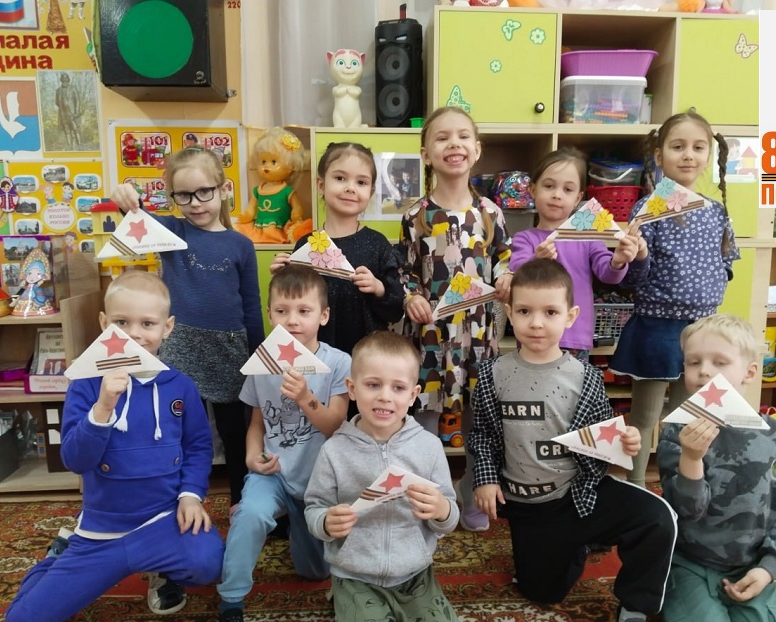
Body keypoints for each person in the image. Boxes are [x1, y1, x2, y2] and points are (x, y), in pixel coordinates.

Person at [469, 258, 677, 622]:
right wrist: (486, 480)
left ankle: (633, 616)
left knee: (658, 517)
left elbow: (603, 442)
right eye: (524, 311)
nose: (536, 323)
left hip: (581, 494)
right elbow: (482, 435)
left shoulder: (586, 376)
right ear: (509, 313)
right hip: (530, 507)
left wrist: (626, 443)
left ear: (571, 316)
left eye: (550, 312)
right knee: (542, 592)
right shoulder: (492, 373)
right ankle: (576, 547)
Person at [4, 271, 224, 622]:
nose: (134, 334)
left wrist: (190, 495)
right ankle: (59, 555)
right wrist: (103, 407)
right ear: (104, 322)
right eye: (122, 322)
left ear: (167, 327)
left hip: (161, 522)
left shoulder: (182, 387)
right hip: (102, 531)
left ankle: (161, 570)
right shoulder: (87, 383)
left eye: (147, 323)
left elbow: (198, 447)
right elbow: (75, 460)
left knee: (210, 563)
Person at [110, 147, 265, 511]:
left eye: (204, 192)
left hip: (229, 351)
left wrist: (259, 358)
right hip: (181, 346)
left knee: (233, 432)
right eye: (183, 195)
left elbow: (251, 305)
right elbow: (135, 214)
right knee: (175, 428)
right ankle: (172, 499)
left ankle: (241, 501)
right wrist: (125, 198)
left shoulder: (241, 245)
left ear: (223, 189)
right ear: (173, 197)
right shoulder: (171, 231)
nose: (195, 203)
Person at [305, 331, 466, 622]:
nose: (384, 396)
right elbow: (314, 506)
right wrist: (326, 522)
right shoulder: (334, 450)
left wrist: (441, 510)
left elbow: (450, 514)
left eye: (397, 387)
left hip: (414, 573)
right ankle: (349, 601)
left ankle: (403, 618)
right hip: (356, 574)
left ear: (413, 395)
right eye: (373, 384)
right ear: (352, 388)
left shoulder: (429, 447)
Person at [657, 314, 776, 622]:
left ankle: (737, 606)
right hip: (691, 559)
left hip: (749, 563)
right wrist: (691, 457)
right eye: (694, 362)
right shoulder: (676, 432)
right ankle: (677, 594)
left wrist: (768, 570)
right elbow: (686, 510)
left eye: (720, 362)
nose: (704, 372)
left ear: (750, 372)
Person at [215, 263, 351, 622]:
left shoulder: (338, 363)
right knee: (250, 514)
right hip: (274, 473)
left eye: (303, 311)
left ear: (323, 316)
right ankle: (230, 606)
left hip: (320, 483)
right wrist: (250, 456)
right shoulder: (263, 362)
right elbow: (256, 423)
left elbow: (335, 427)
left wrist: (306, 397)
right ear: (270, 315)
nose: (292, 321)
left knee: (314, 573)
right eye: (282, 311)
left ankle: (298, 530)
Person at [609, 110, 739, 487]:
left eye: (698, 147)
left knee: (688, 417)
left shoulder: (717, 211)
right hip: (657, 328)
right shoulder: (649, 208)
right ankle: (636, 490)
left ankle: (680, 488)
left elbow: (727, 261)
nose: (688, 155)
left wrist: (713, 289)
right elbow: (634, 277)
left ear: (709, 155)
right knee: (644, 418)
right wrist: (639, 256)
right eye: (678, 146)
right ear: (659, 155)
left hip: (702, 331)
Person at [399, 105, 512, 532]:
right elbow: (404, 271)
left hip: (478, 335)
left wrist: (507, 277)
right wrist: (411, 296)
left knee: (478, 418)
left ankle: (473, 492)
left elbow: (503, 258)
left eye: (463, 136)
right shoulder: (415, 215)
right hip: (430, 337)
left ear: (477, 149)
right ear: (426, 153)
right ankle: (431, 499)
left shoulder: (491, 213)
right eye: (442, 137)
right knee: (424, 421)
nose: (454, 144)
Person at [269, 142, 405, 413]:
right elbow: (290, 305)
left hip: (365, 361)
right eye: (340, 178)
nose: (350, 188)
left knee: (361, 422)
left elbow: (395, 309)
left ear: (371, 192)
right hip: (315, 360)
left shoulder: (378, 245)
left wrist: (378, 288)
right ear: (321, 185)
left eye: (361, 182)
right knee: (318, 422)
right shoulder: (306, 244)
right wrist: (282, 277)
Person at [508, 146, 647, 362]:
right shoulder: (524, 238)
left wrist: (618, 261)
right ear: (533, 190)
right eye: (549, 186)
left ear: (578, 198)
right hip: (534, 335)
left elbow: (607, 273)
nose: (557, 195)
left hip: (575, 336)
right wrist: (536, 260)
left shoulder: (588, 237)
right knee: (533, 382)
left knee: (573, 384)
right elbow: (516, 276)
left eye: (568, 189)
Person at [55, 72, 81, 151]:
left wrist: (76, 111)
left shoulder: (73, 88)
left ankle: (80, 145)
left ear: (68, 80)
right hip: (63, 114)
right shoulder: (58, 91)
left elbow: (77, 100)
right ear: (61, 81)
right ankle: (69, 145)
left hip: (72, 113)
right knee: (66, 130)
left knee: (75, 129)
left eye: (66, 80)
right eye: (63, 80)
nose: (65, 82)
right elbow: (57, 102)